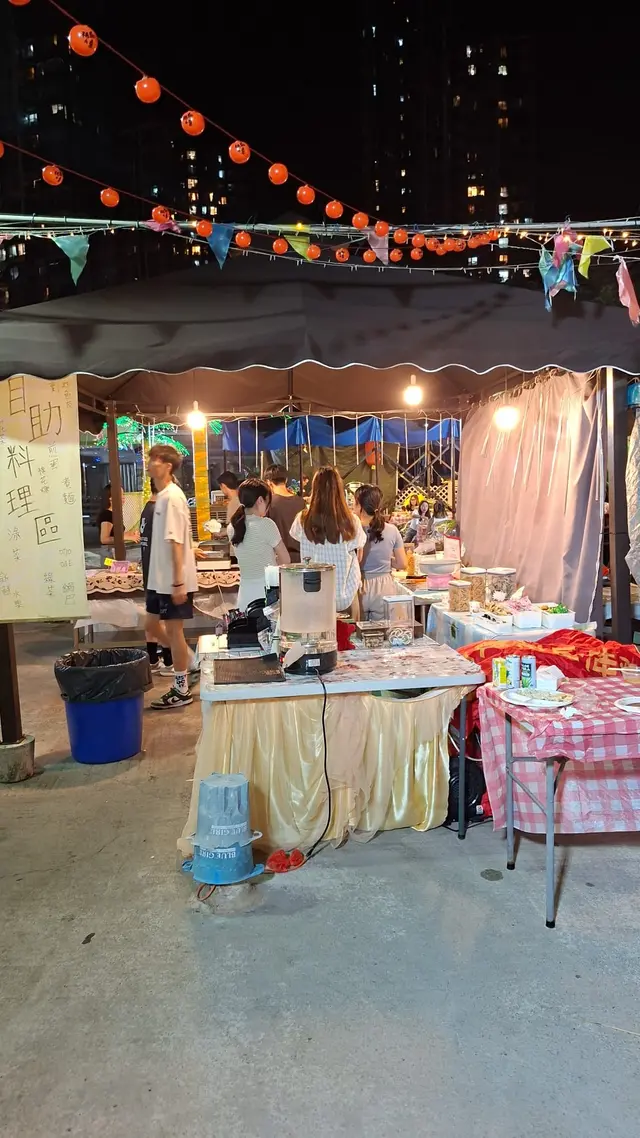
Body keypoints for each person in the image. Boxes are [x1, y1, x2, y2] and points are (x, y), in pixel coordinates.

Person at [146, 444, 199, 710]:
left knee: (173, 632)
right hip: (159, 579)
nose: (149, 463)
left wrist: (178, 581)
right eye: (150, 458)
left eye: (155, 459)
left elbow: (176, 542)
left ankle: (181, 688)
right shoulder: (163, 496)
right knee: (151, 626)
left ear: (167, 466)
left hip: (173, 580)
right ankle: (191, 662)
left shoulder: (173, 497)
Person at [289, 466, 366, 614]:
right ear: (339, 489)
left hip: (314, 593)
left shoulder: (302, 519)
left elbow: (296, 539)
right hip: (346, 595)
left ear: (315, 489)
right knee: (349, 629)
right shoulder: (352, 521)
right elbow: (359, 555)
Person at [124, 481, 173, 675]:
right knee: (165, 619)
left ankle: (152, 660)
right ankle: (169, 662)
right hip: (161, 572)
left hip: (150, 571)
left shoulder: (147, 508)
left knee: (153, 616)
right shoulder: (159, 511)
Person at [228, 478, 290, 610]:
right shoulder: (266, 524)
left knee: (248, 623)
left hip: (244, 594)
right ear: (260, 500)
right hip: (267, 593)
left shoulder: (232, 527)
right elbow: (286, 560)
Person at [354, 485, 407, 620]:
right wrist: (387, 558)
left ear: (359, 505)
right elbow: (402, 564)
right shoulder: (392, 530)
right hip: (385, 587)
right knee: (385, 631)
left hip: (358, 586)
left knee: (358, 631)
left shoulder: (351, 531)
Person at [264, 463, 302, 559]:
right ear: (286, 480)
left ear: (268, 482)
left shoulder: (269, 503)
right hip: (300, 557)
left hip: (279, 558)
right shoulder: (300, 502)